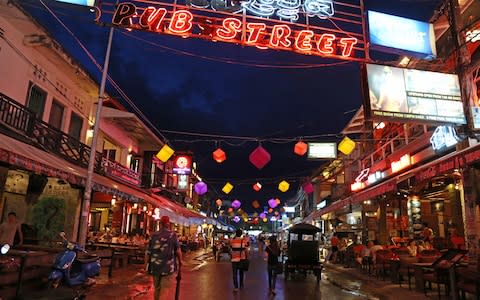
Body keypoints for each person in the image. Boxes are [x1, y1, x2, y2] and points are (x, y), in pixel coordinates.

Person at [145, 216, 182, 300]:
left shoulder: (153, 235)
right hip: (167, 267)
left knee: (157, 289)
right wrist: (180, 262)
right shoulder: (172, 235)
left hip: (155, 267)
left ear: (160, 224)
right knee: (164, 290)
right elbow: (178, 251)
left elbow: (148, 252)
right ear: (168, 224)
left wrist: (146, 265)